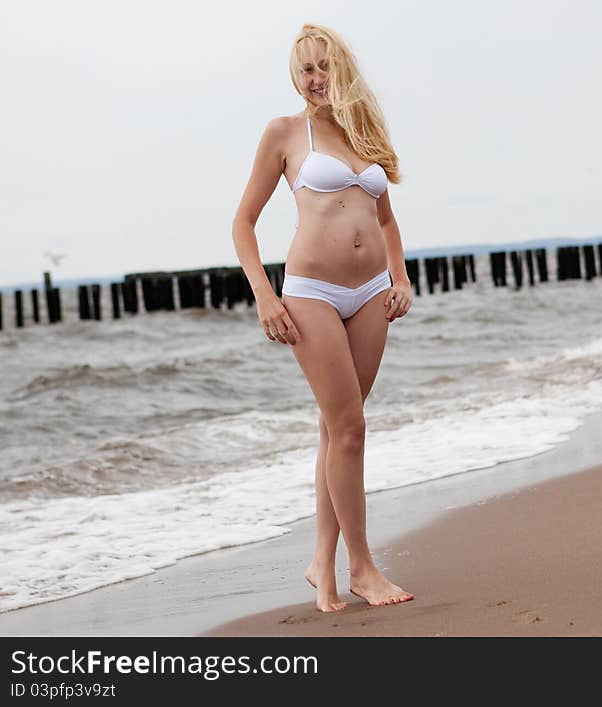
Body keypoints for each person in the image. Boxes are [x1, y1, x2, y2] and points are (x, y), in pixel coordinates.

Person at [231, 24, 415, 612]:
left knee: (339, 429)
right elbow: (243, 224)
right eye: (306, 69)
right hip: (311, 294)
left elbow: (385, 220)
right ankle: (361, 567)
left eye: (325, 67)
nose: (316, 80)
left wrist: (402, 276)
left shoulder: (365, 133)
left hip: (372, 295)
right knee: (350, 428)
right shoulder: (285, 133)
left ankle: (321, 561)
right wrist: (265, 295)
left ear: (344, 70)